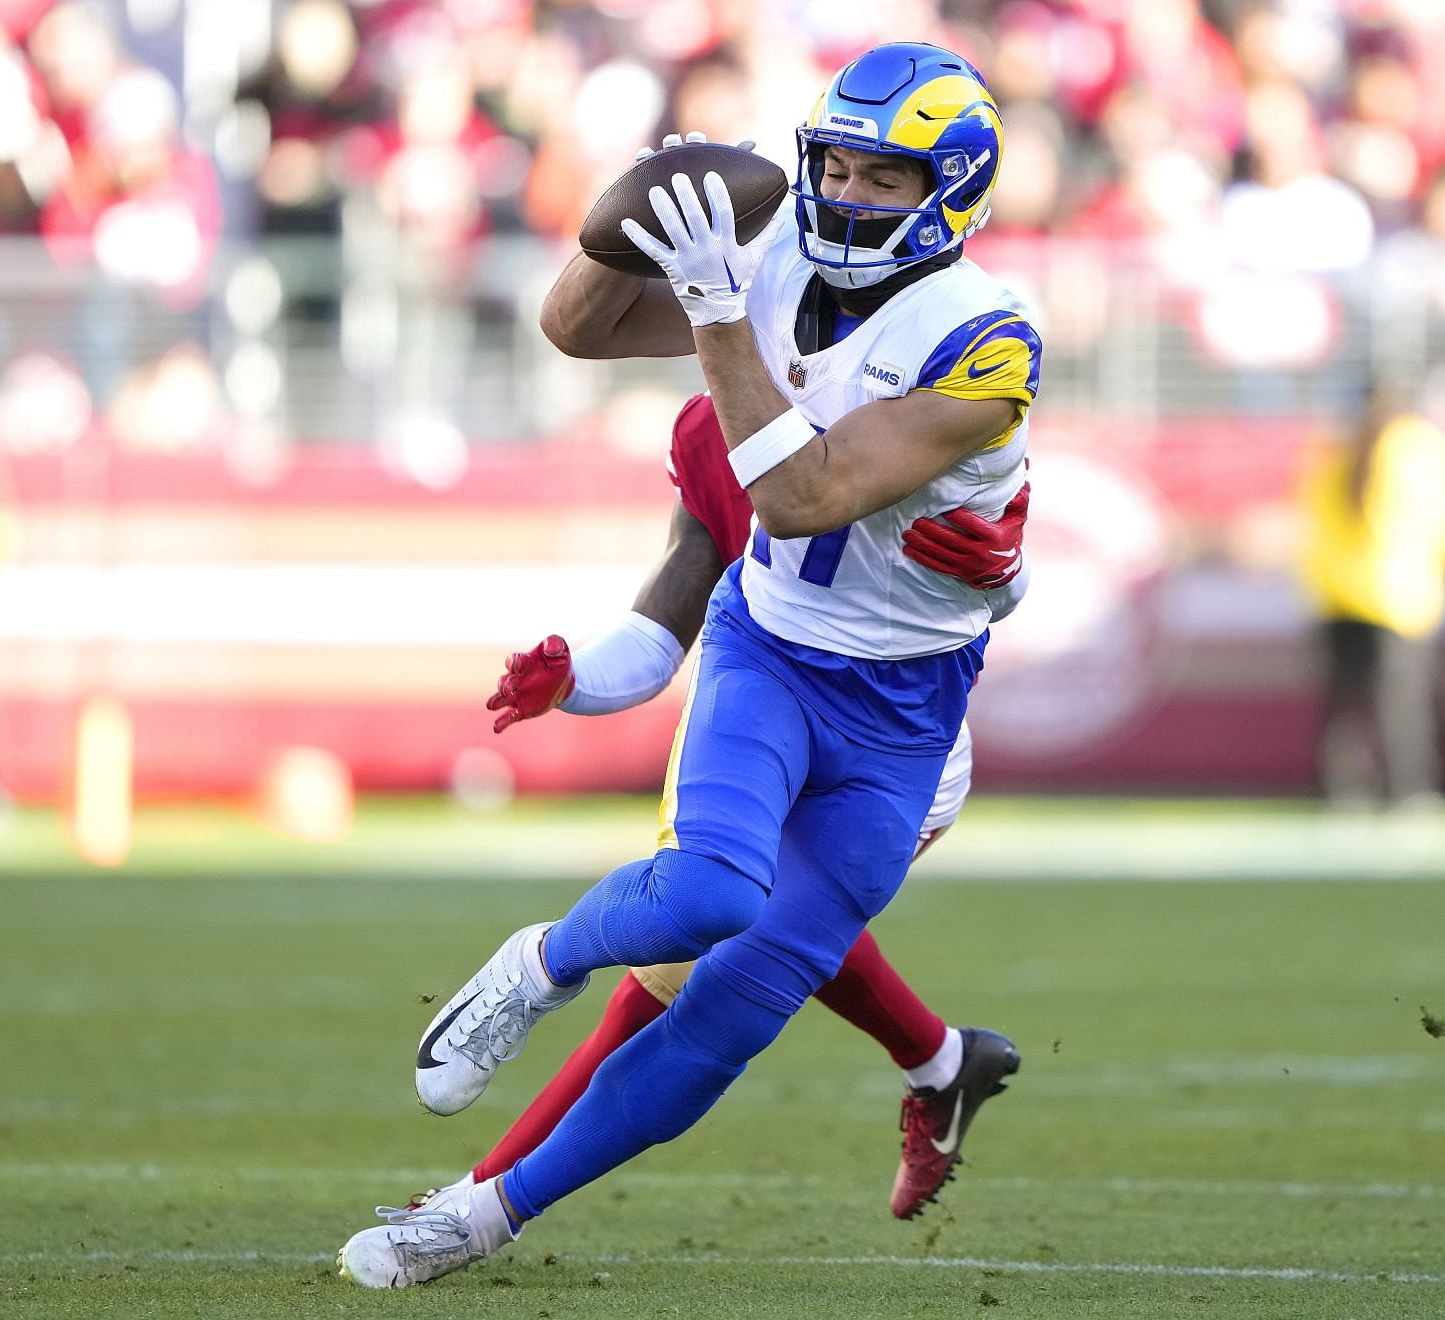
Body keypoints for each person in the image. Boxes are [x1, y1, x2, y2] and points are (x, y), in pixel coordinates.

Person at [338, 42, 1040, 1287]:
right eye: (831, 165)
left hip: (906, 724)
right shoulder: (754, 297)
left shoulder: (986, 339)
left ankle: (479, 1219)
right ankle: (534, 967)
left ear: (951, 189)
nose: (841, 198)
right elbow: (582, 342)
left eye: (883, 178)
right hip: (769, 658)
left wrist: (719, 309)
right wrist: (623, 221)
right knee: (713, 895)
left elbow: (805, 490)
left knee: (733, 1009)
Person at [414, 391, 1028, 1249]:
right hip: (768, 709)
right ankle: (943, 1062)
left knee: (692, 976)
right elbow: (666, 618)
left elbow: (972, 576)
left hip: (899, 753)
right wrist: (575, 682)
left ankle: (475, 1203)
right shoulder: (715, 421)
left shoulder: (904, 381)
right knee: (738, 912)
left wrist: (1007, 576)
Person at [1296, 376, 1445, 806]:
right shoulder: (1421, 449)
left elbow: (1312, 518)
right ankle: (1409, 792)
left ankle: (1340, 794)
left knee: (1343, 711)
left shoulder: (1334, 446)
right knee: (1402, 707)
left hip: (1337, 595)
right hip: (1401, 596)